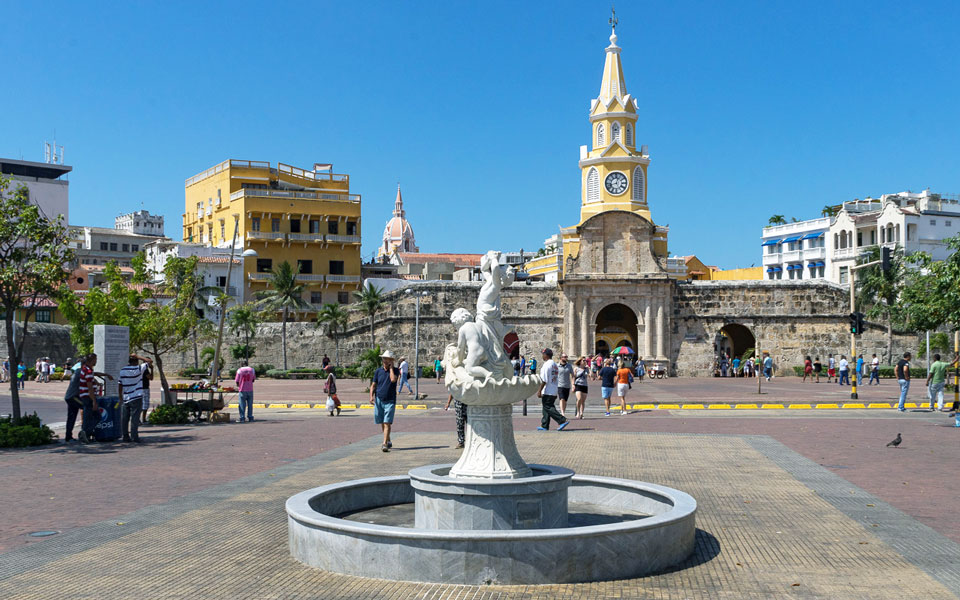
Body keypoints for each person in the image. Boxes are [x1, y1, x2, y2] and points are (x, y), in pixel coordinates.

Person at [371, 350, 400, 451]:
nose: (385, 361)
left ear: (391, 361)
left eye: (387, 359)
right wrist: (371, 396)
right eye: (384, 359)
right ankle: (388, 440)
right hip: (379, 399)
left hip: (390, 400)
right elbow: (373, 385)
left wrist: (391, 368)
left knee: (387, 422)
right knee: (383, 422)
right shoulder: (378, 371)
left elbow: (393, 380)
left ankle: (384, 444)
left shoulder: (395, 370)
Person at [118, 354, 150, 443]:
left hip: (126, 397)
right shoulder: (139, 369)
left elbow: (120, 384)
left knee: (125, 419)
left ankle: (125, 436)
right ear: (136, 361)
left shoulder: (122, 370)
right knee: (135, 418)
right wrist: (138, 356)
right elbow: (149, 361)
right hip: (136, 396)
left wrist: (120, 396)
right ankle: (134, 437)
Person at [536, 348, 568, 431]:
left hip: (548, 390)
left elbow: (544, 380)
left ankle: (562, 420)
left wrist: (539, 390)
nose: (542, 356)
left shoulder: (547, 365)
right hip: (553, 388)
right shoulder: (554, 364)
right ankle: (545, 425)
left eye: (543, 354)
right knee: (546, 408)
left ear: (546, 355)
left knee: (548, 407)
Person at [76, 354, 100, 444]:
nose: (96, 361)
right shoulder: (88, 371)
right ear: (92, 360)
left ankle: (85, 433)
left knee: (88, 417)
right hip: (88, 397)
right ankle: (85, 433)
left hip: (84, 396)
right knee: (97, 416)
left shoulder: (85, 369)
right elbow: (90, 388)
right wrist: (94, 401)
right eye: (95, 359)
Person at [140, 355, 154, 424]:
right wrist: (152, 369)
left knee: (141, 404)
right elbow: (151, 378)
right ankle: (143, 419)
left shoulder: (140, 368)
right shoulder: (145, 370)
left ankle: (139, 419)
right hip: (144, 388)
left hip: (140, 388)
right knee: (145, 404)